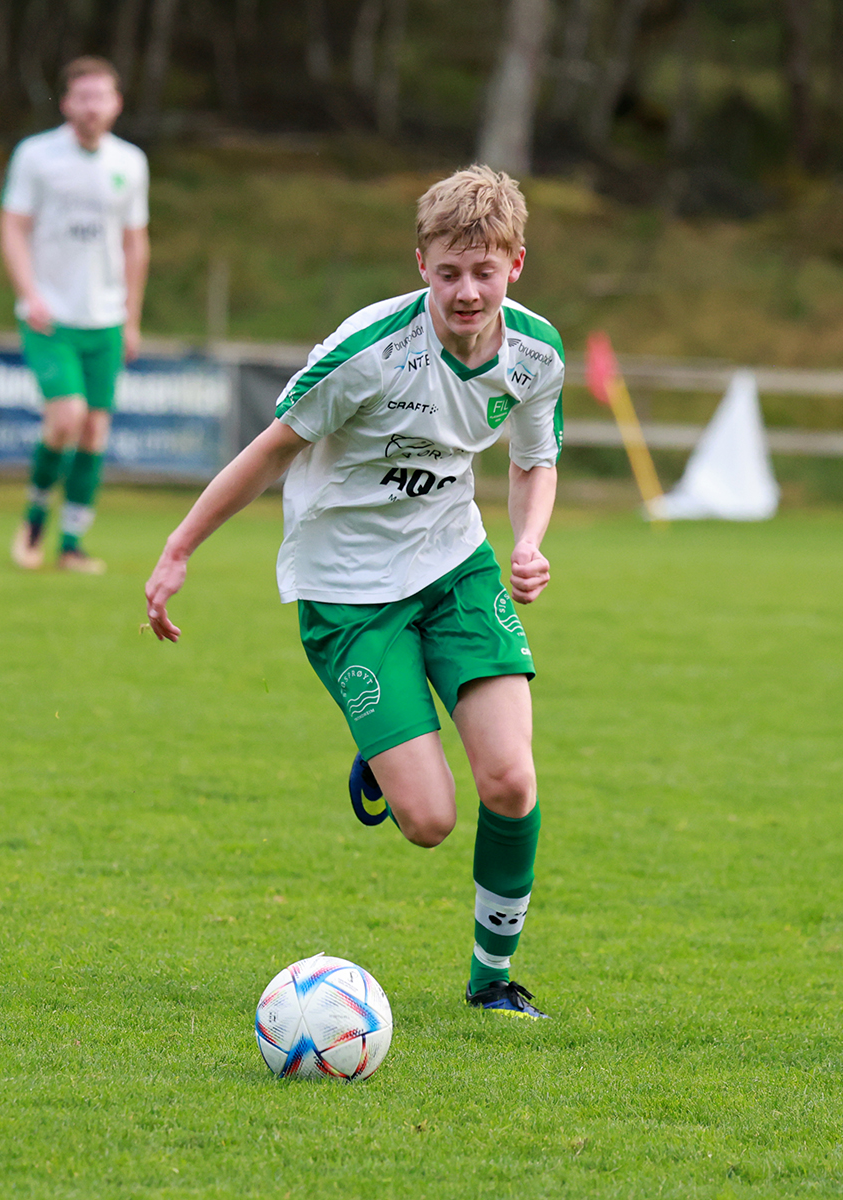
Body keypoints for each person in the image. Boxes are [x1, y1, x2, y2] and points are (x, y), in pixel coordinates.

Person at [144, 167, 564, 1018]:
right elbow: (268, 451)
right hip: (347, 592)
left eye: (484, 271)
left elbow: (533, 460)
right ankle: (382, 743)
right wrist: (179, 549)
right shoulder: (367, 353)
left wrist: (526, 542)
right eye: (449, 272)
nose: (467, 291)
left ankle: (492, 982)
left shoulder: (535, 355)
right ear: (422, 266)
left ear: (516, 264)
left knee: (512, 783)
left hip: (454, 566)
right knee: (429, 822)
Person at [0, 56, 150, 576]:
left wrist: (131, 317)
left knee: (95, 432)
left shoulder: (130, 162)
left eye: (100, 96)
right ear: (66, 103)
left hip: (104, 319)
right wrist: (29, 293)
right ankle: (35, 520)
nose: (91, 106)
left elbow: (135, 244)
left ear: (116, 104)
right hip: (50, 316)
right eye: (81, 97)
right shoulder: (36, 156)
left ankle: (71, 545)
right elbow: (13, 226)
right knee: (66, 417)